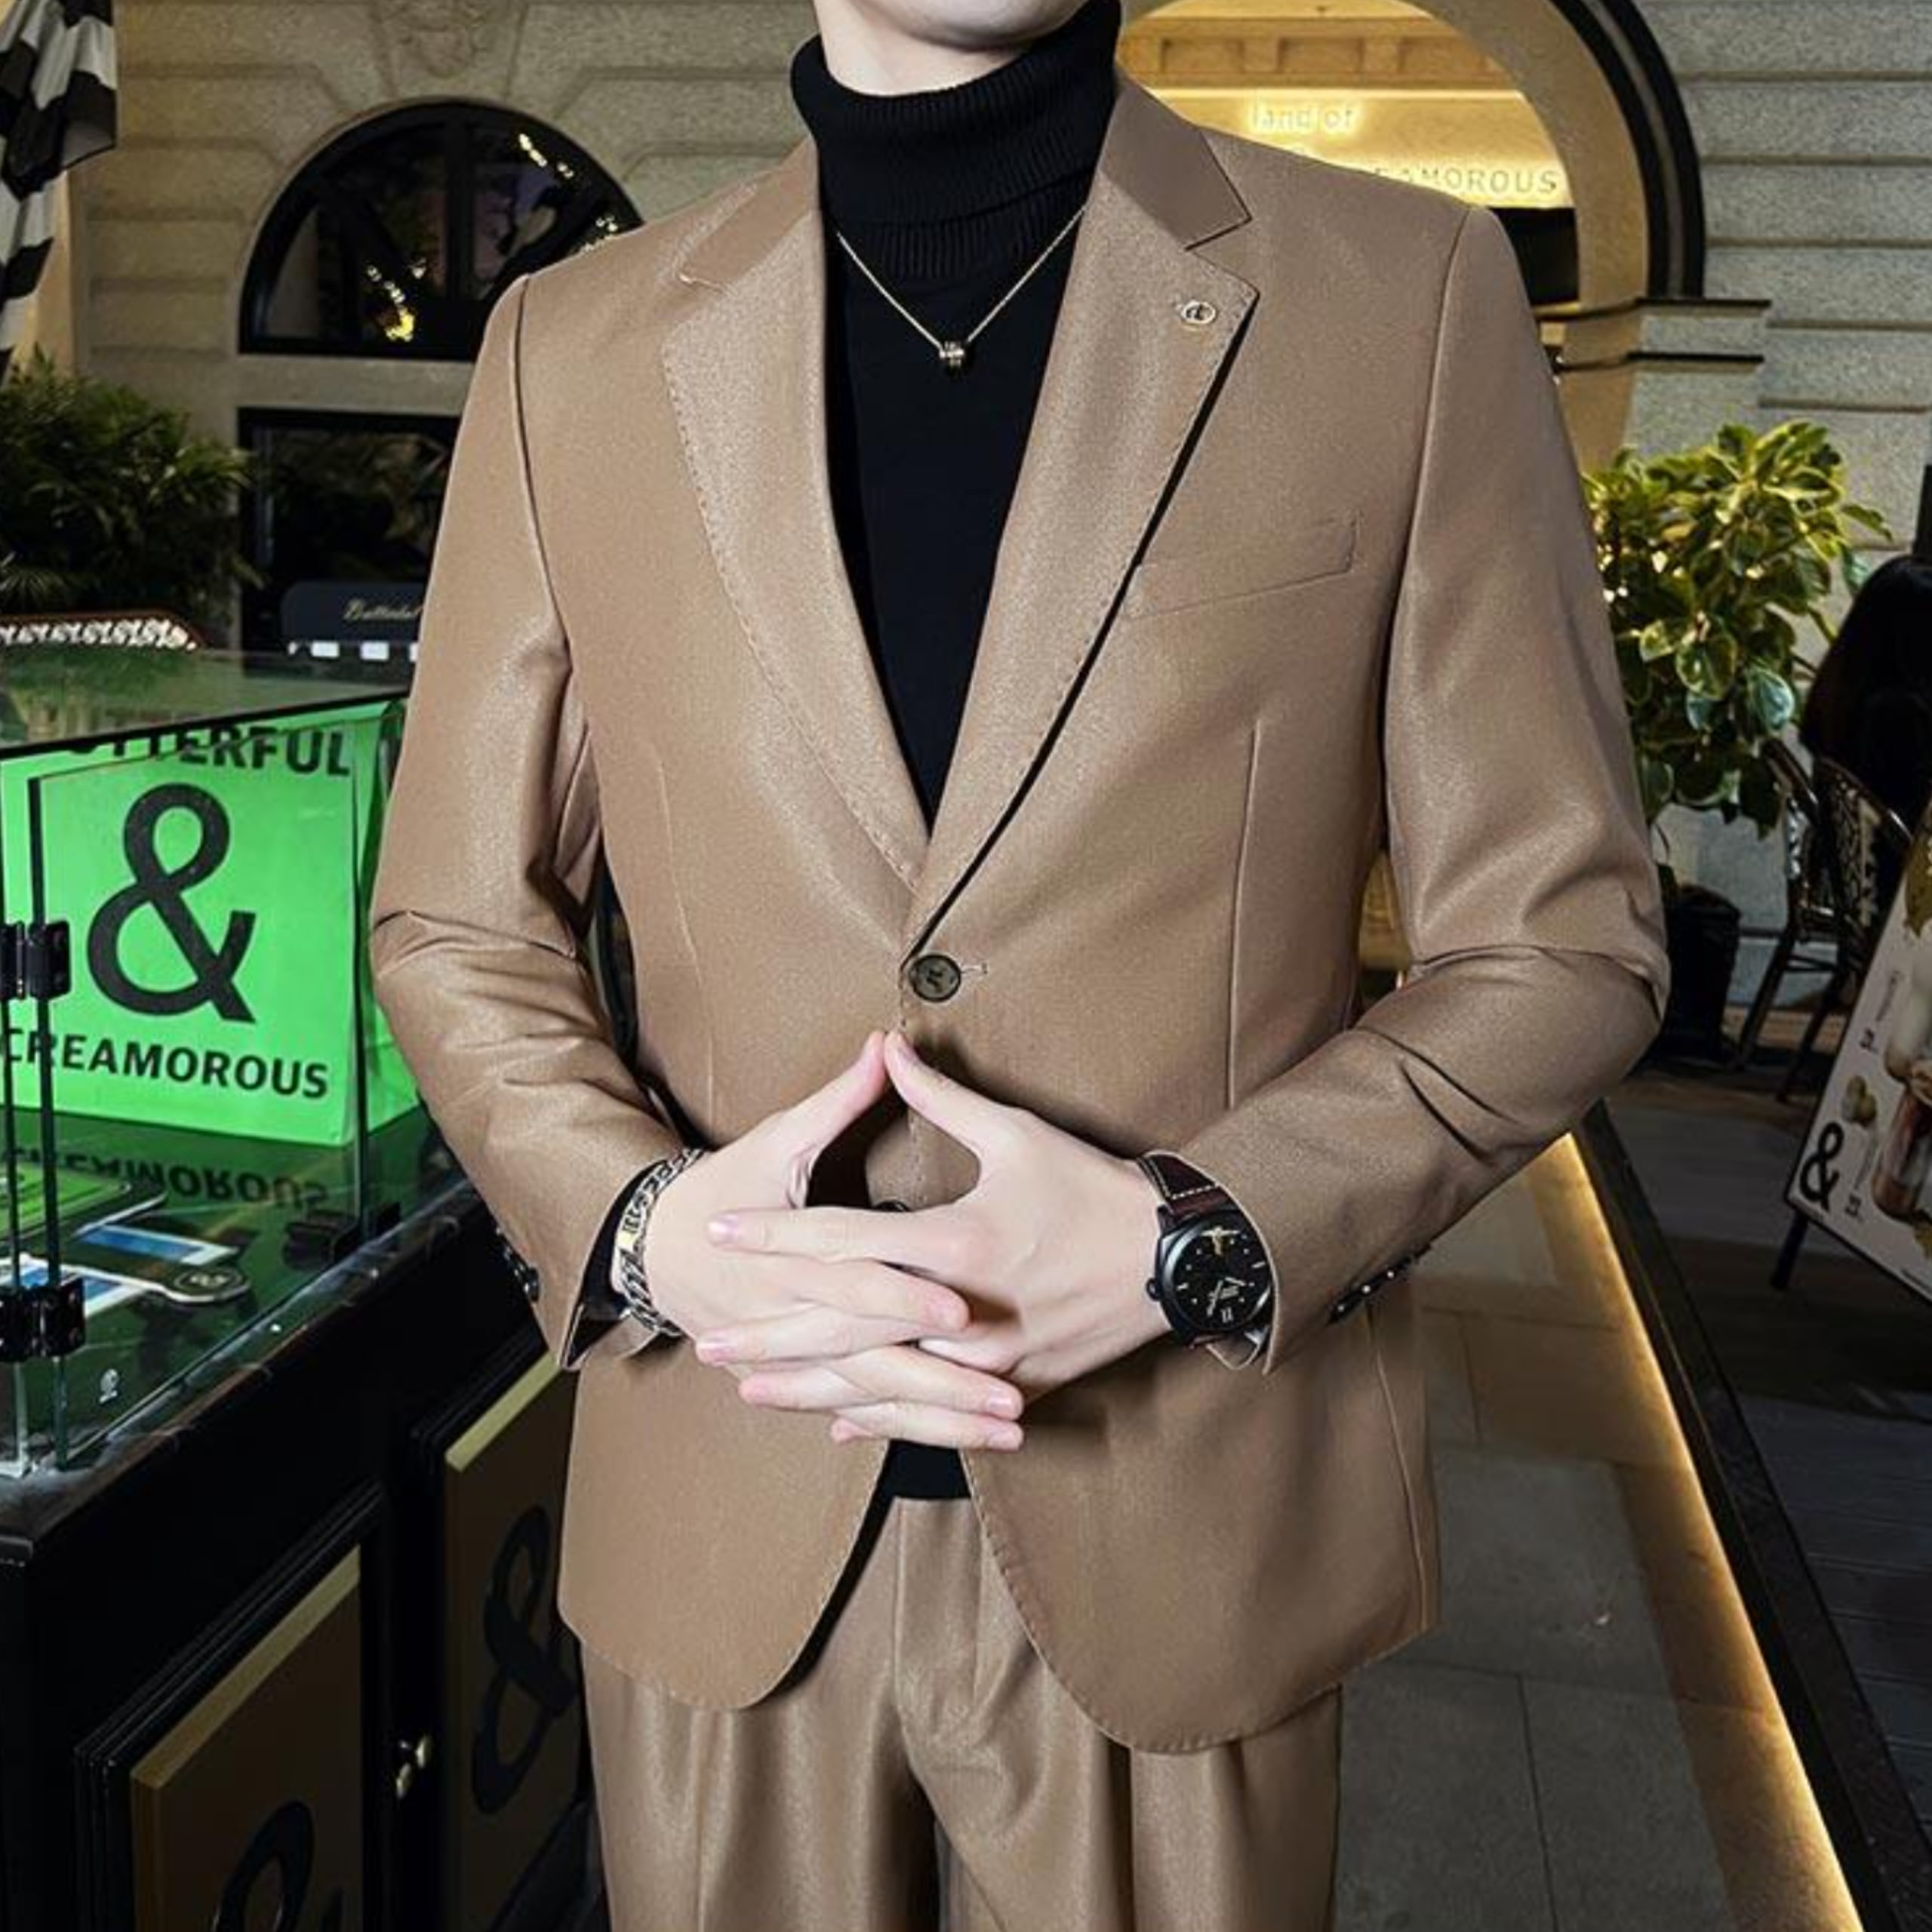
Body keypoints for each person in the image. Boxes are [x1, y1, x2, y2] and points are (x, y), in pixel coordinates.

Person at [367, 2, 1671, 1924]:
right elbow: (456, 915)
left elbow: (1561, 936)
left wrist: (1195, 1232)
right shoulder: (570, 350)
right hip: (726, 1498)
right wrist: (638, 1225)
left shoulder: (1399, 296)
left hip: (1182, 1523)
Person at [1798, 552, 1932, 835]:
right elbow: (1915, 821)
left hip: (1844, 855)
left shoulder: (1845, 686)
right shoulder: (1897, 713)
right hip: (1895, 858)